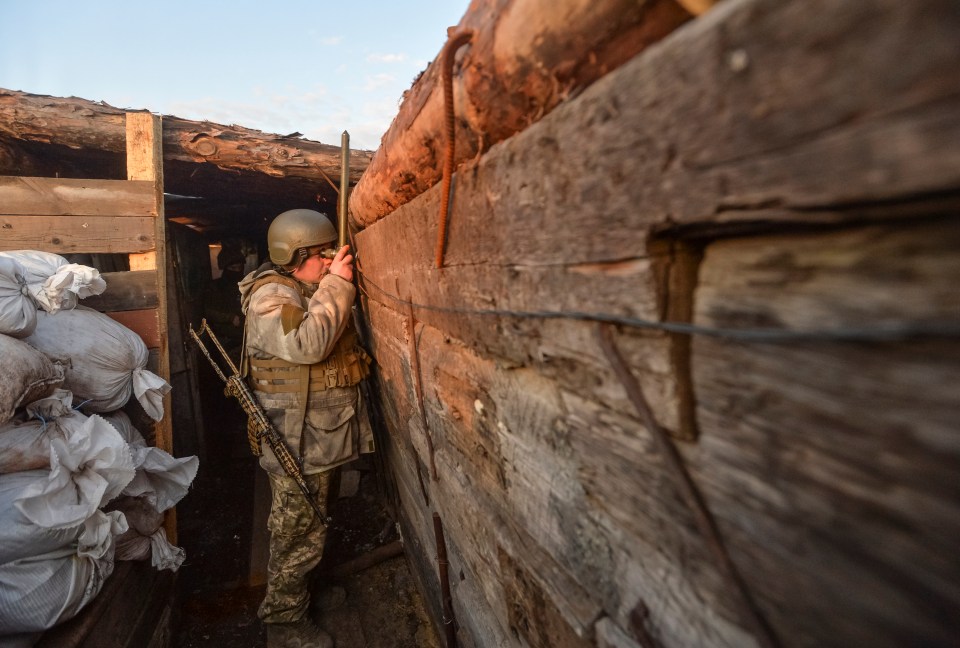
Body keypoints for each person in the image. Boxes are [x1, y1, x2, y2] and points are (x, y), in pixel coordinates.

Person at [238, 209, 371, 648]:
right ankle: (285, 621)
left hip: (314, 437)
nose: (331, 260)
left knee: (313, 525)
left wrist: (326, 282)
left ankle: (304, 596)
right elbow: (307, 344)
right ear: (295, 255)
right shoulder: (270, 297)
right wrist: (337, 284)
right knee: (296, 535)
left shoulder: (299, 287)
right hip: (295, 441)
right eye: (322, 254)